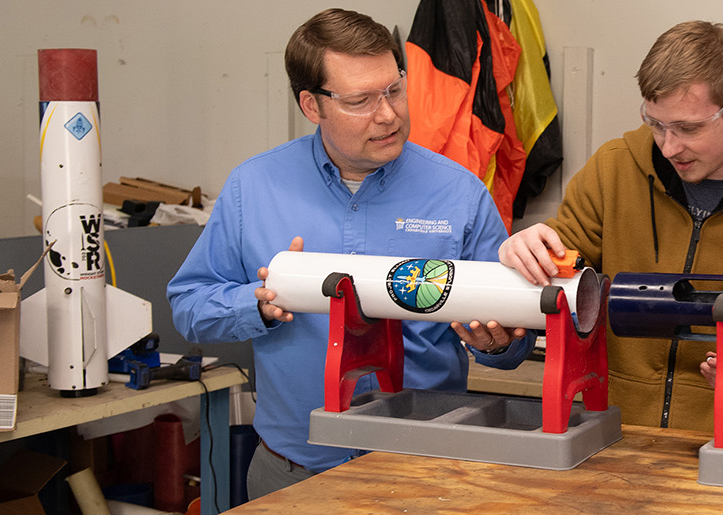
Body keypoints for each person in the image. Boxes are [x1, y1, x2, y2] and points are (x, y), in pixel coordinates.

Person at [167, 8, 532, 499]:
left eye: (394, 90)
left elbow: (515, 343)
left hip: (422, 473)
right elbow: (189, 305)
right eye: (360, 100)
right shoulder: (252, 188)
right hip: (292, 472)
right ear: (311, 105)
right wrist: (259, 305)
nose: (388, 115)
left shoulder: (460, 195)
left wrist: (497, 344)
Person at [498, 21, 723, 431]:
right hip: (609, 434)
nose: (669, 147)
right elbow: (562, 272)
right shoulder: (611, 171)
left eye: (688, 128)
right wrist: (526, 252)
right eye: (655, 124)